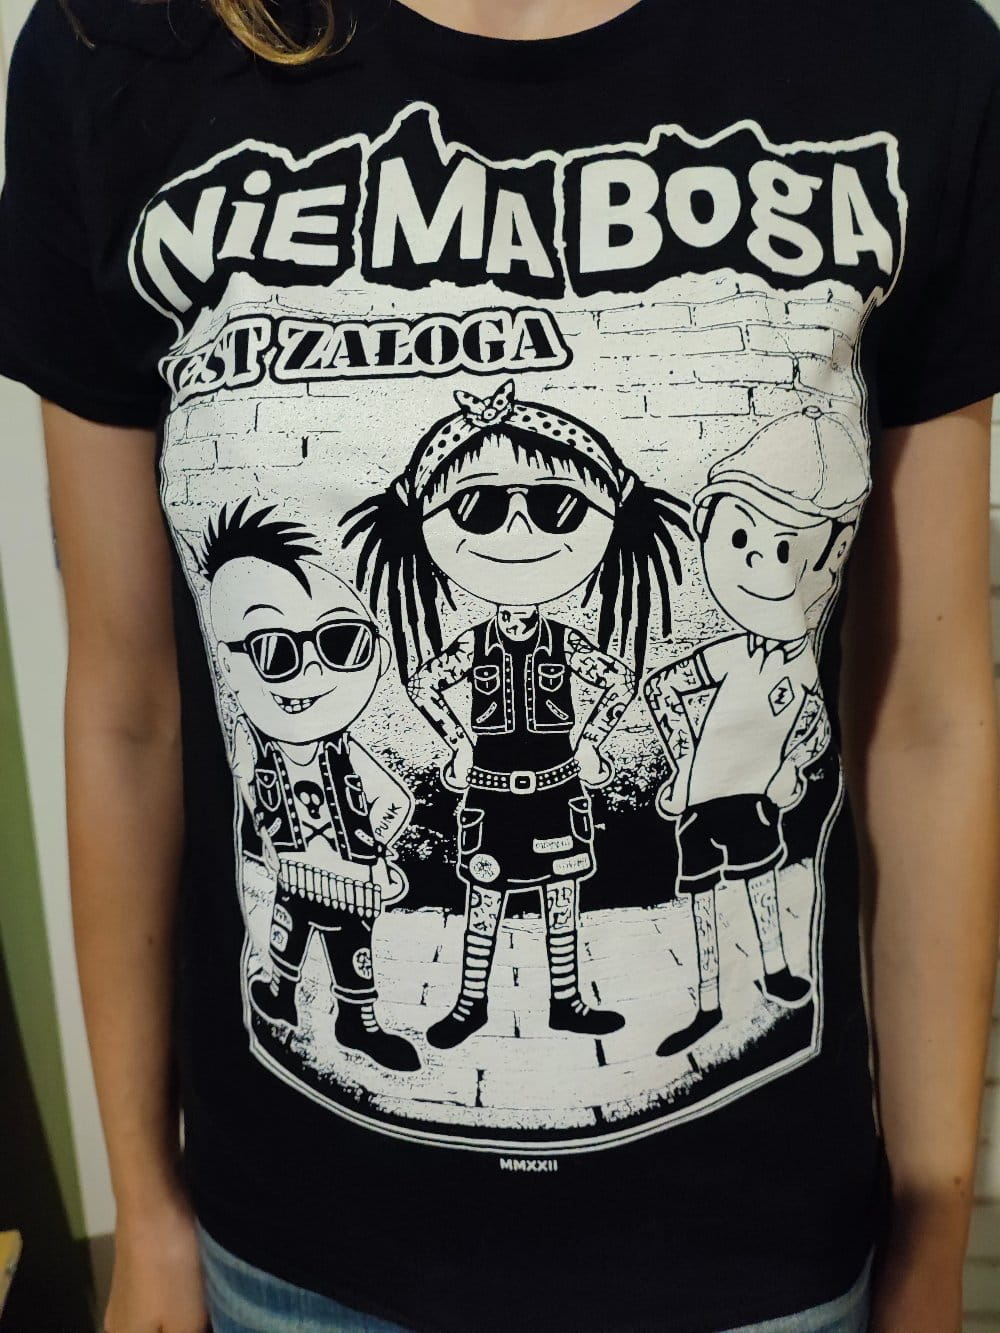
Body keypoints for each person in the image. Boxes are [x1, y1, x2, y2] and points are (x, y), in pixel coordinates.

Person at [0, 0, 998, 1331]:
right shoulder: (120, 47)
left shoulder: (905, 50)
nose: (518, 531)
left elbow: (927, 719)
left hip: (755, 1257)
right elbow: (130, 710)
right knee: (481, 910)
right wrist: (146, 1208)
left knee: (562, 909)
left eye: (549, 507)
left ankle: (577, 1000)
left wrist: (934, 1223)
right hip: (296, 1259)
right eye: (483, 507)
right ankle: (467, 1008)